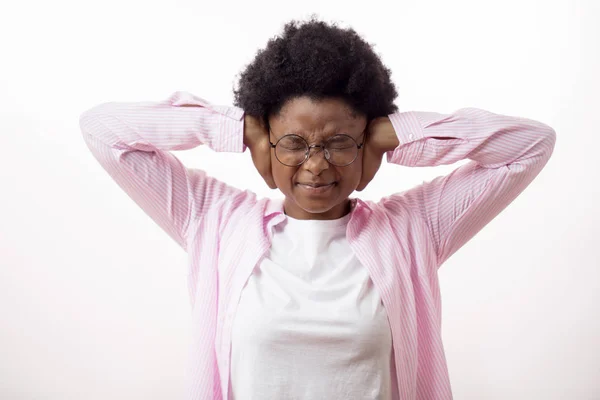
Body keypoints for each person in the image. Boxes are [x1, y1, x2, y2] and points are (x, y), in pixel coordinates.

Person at [79, 16, 556, 400]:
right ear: (267, 141)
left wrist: (402, 134)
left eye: (338, 143)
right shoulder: (212, 217)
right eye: (294, 142)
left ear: (366, 141)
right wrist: (235, 129)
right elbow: (104, 130)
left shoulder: (415, 227)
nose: (315, 165)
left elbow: (530, 145)